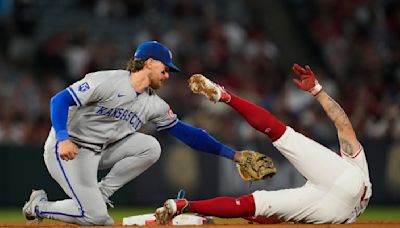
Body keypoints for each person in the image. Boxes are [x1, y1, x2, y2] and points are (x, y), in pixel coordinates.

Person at [22, 41, 245, 225]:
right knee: (97, 218)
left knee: (151, 147)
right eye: (165, 69)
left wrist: (234, 155)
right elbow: (59, 100)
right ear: (149, 63)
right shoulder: (108, 81)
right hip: (67, 150)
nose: (167, 75)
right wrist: (63, 137)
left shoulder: (154, 104)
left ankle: (102, 192)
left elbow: (189, 134)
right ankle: (39, 207)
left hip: (100, 152)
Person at [155, 64, 372, 224]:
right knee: (255, 205)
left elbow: (343, 124)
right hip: (341, 213)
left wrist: (317, 90)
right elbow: (274, 216)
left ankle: (225, 95)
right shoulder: (348, 170)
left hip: (337, 196)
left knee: (280, 134)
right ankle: (182, 206)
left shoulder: (353, 162)